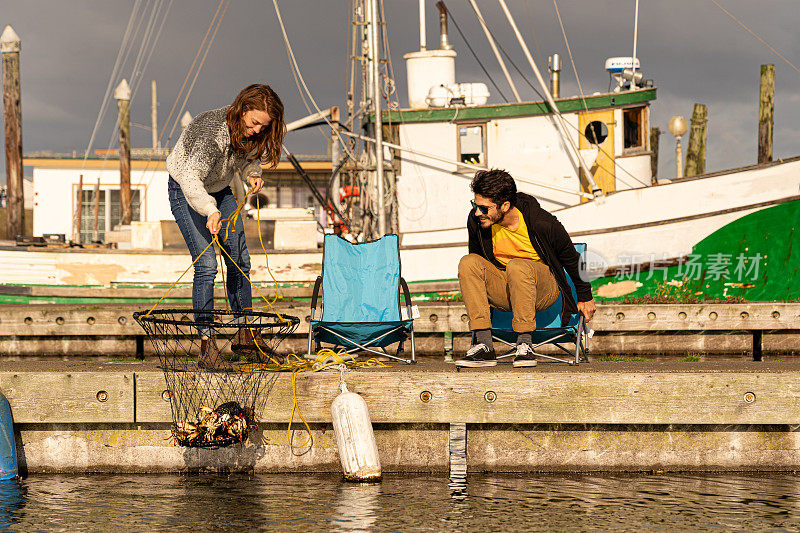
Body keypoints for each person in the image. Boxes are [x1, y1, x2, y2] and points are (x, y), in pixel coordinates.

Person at [166, 84, 286, 370]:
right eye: (254, 122)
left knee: (239, 260)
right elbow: (191, 179)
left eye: (263, 126)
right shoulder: (211, 131)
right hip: (186, 190)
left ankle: (245, 335)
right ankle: (207, 345)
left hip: (220, 190)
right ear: (243, 109)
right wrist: (210, 210)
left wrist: (252, 174)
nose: (257, 130)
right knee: (207, 264)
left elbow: (242, 160)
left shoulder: (243, 131)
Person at [455, 169, 596, 368]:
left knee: (517, 265)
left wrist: (585, 297)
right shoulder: (478, 221)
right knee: (468, 262)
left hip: (542, 289)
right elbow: (479, 266)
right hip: (506, 289)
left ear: (505, 205)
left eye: (484, 208)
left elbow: (573, 260)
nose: (477, 212)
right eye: (475, 205)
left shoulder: (542, 223)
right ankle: (484, 345)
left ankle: (525, 345)